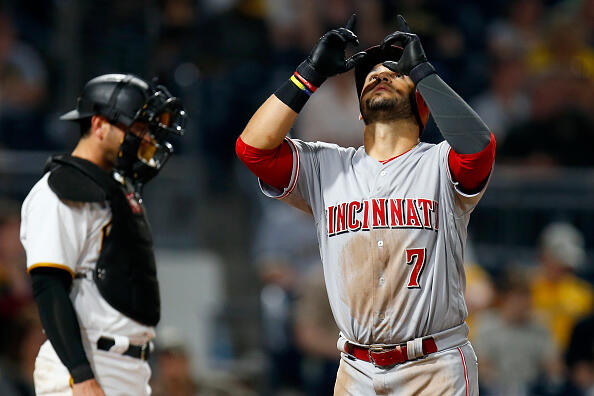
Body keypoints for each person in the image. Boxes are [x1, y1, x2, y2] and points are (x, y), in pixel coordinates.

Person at [236, 14, 495, 395]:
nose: (379, 74)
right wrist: (309, 74)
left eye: (396, 73)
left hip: (434, 365)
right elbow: (253, 149)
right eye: (370, 75)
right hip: (355, 368)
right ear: (359, 110)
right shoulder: (327, 165)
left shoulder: (440, 163)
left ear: (423, 106)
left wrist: (424, 72)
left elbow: (479, 149)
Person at [20, 73, 187, 395]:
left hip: (129, 369)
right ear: (98, 125)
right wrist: (81, 375)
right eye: (136, 127)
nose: (145, 138)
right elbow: (48, 285)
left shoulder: (114, 190)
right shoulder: (60, 189)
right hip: (87, 365)